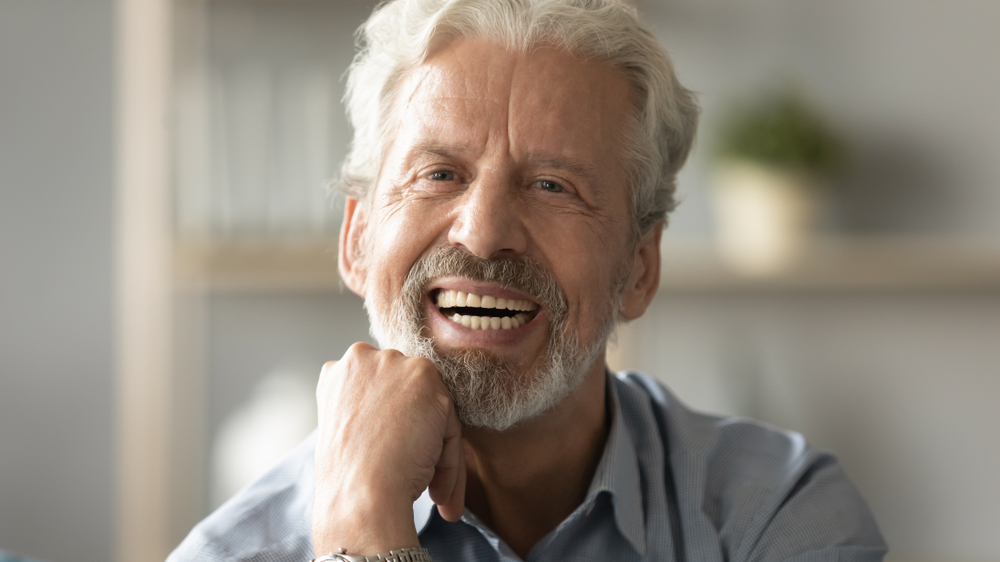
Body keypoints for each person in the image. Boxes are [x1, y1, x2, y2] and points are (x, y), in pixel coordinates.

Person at [169, 1, 886, 561]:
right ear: (356, 239)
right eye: (439, 174)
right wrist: (362, 522)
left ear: (640, 267)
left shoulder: (777, 516)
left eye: (552, 185)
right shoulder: (229, 556)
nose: (482, 232)